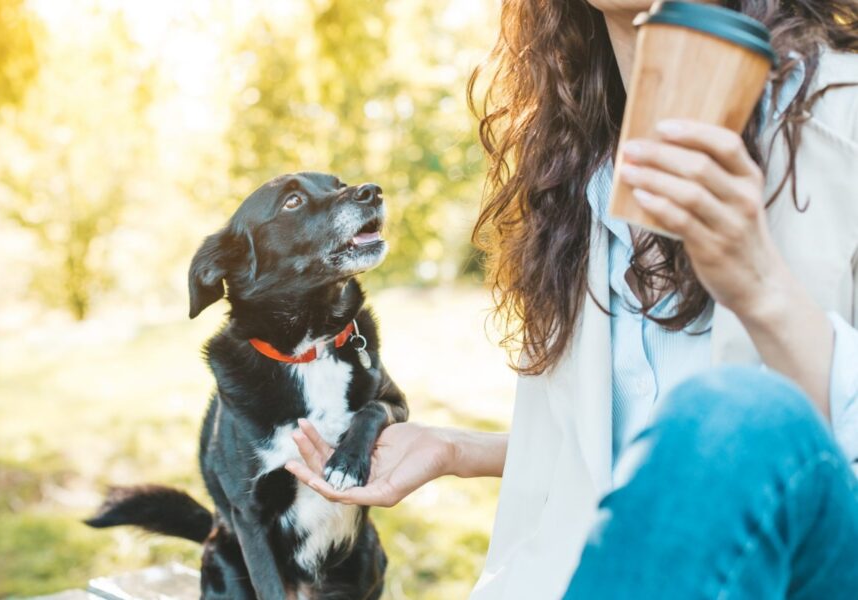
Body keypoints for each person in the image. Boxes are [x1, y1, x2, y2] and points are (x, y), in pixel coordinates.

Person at [285, 1, 858, 597]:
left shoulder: (844, 111)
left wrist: (759, 283)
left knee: (737, 412)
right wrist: (457, 449)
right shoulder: (571, 167)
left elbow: (743, 439)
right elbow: (633, 445)